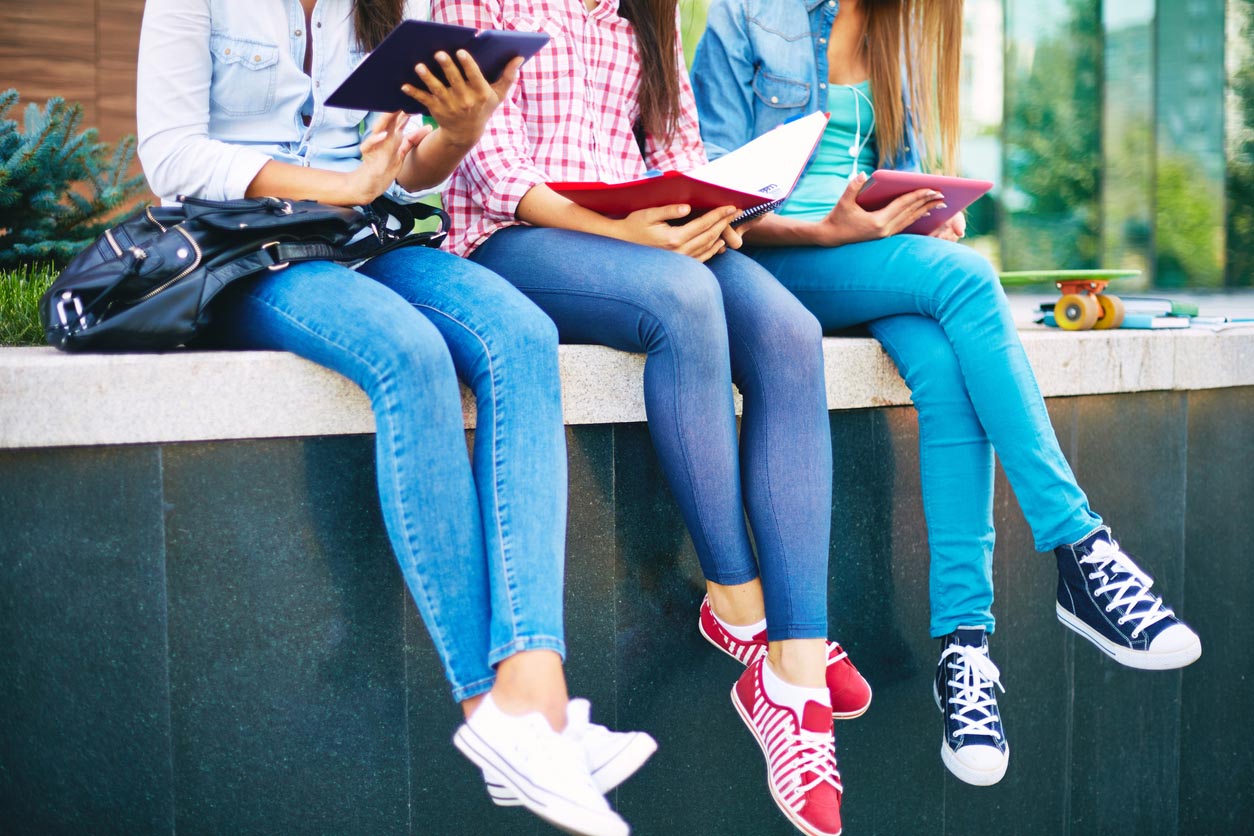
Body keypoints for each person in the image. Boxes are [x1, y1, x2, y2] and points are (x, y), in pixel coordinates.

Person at [135, 2, 653, 834]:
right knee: (407, 355)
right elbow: (169, 155)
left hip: (367, 239)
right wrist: (338, 186)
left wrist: (458, 127)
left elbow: (415, 172)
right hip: (244, 252)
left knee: (521, 334)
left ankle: (535, 689)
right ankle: (492, 712)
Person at [691, 0, 1202, 789]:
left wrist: (927, 218)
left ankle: (966, 654)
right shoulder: (743, 17)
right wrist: (831, 233)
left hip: (867, 264)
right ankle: (1080, 550)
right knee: (969, 283)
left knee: (942, 361)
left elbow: (904, 187)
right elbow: (712, 203)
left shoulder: (901, 30)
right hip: (773, 269)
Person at [431, 1, 867, 834]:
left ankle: (794, 674)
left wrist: (712, 213)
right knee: (683, 297)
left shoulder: (647, 8)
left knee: (788, 332)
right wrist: (622, 233)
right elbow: (491, 171)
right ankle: (738, 611)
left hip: (645, 237)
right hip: (516, 237)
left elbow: (674, 150)